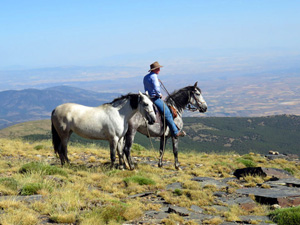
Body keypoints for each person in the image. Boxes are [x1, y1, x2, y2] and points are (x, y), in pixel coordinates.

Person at [143, 61, 186, 138]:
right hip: (154, 98)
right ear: (155, 69)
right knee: (167, 113)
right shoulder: (154, 77)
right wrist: (159, 94)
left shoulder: (146, 77)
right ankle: (175, 132)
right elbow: (156, 88)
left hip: (147, 97)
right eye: (158, 68)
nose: (159, 70)